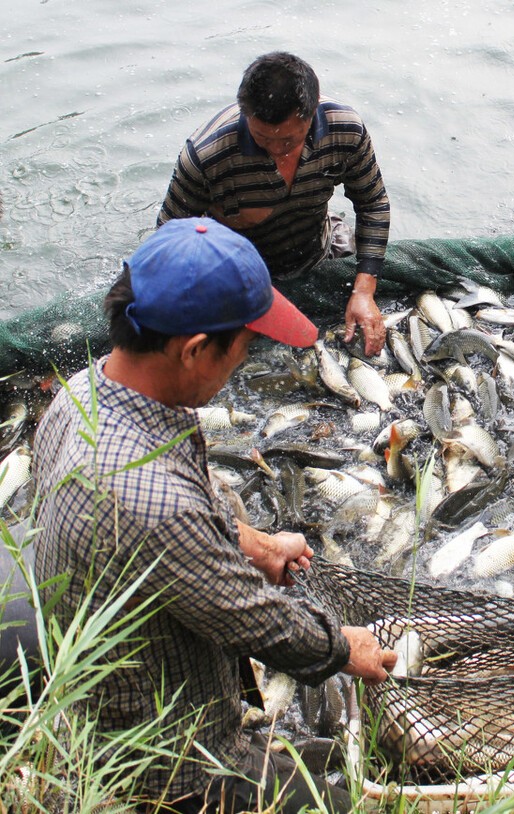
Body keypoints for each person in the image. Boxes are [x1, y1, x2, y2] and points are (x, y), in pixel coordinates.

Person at [32, 218, 396, 812]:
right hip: (164, 755)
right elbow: (257, 622)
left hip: (94, 665)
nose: (243, 362)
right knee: (342, 803)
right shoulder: (151, 506)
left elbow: (183, 507)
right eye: (245, 346)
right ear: (197, 349)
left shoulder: (82, 392)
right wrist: (343, 647)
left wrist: (255, 543)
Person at [158, 51, 391, 356]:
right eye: (262, 139)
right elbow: (169, 238)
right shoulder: (206, 155)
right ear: (246, 114)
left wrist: (364, 290)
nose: (277, 152)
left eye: (288, 141)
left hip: (317, 247)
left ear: (312, 113)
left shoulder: (345, 130)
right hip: (238, 273)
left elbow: (373, 203)